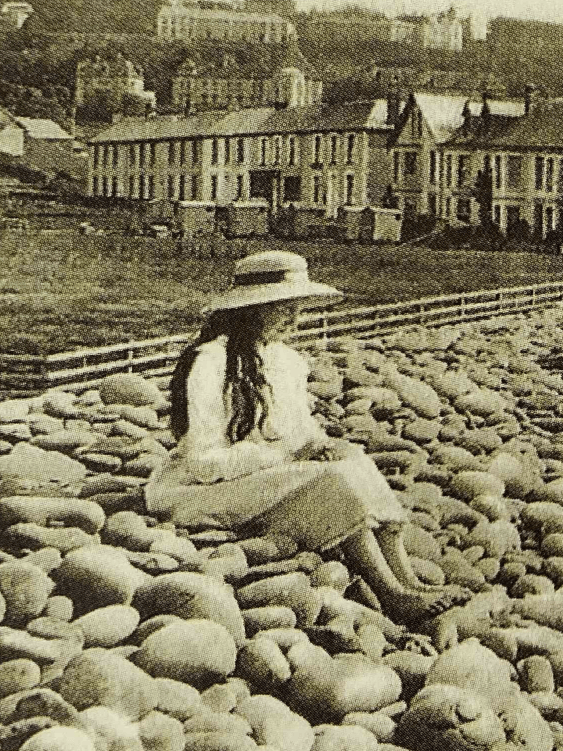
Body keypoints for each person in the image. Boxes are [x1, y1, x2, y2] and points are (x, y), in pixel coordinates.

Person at [146, 250, 463, 625]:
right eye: (284, 308)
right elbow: (201, 461)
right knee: (330, 481)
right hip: (204, 486)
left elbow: (299, 431)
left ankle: (409, 582)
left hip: (265, 473)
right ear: (252, 309)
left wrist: (317, 445)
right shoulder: (209, 362)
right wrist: (281, 457)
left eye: (299, 307)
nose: (295, 319)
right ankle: (390, 594)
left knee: (353, 460)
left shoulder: (286, 361)